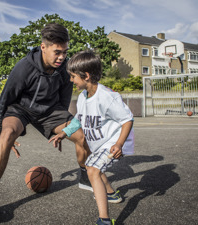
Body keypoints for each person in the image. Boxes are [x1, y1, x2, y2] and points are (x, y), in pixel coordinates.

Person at [0, 23, 91, 223]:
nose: (62, 57)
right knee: (7, 135)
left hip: (50, 111)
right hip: (21, 109)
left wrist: (64, 129)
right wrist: (2, 133)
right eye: (57, 52)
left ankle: (84, 175)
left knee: (82, 134)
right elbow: (5, 99)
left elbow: (64, 102)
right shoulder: (24, 67)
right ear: (43, 47)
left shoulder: (65, 69)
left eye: (65, 52)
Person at [49, 50, 135, 225]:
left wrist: (119, 144)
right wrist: (64, 133)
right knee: (93, 166)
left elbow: (127, 119)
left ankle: (104, 219)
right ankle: (112, 194)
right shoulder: (82, 97)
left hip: (113, 143)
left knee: (93, 170)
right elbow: (78, 120)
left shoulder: (107, 97)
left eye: (73, 77)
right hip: (100, 144)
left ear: (86, 76)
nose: (71, 80)